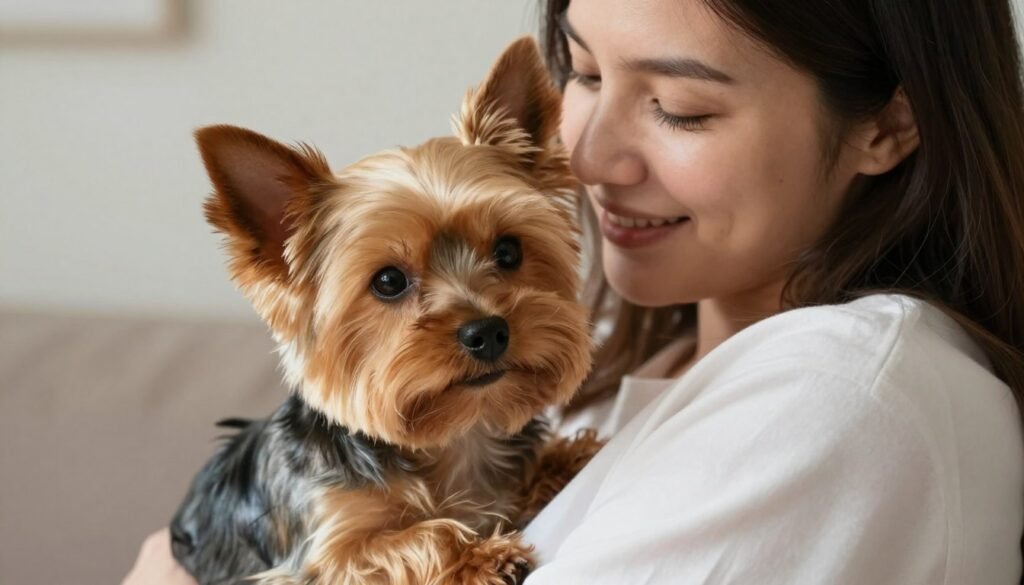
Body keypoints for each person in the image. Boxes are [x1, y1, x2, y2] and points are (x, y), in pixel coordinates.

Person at [125, 0, 1024, 583]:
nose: (585, 157)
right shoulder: (594, 362)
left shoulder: (840, 394)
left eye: (680, 105)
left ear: (889, 124)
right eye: (584, 75)